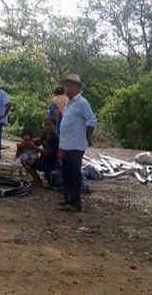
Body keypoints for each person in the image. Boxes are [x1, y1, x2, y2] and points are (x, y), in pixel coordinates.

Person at [58, 74, 97, 212]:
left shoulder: (82, 103)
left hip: (76, 144)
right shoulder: (69, 102)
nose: (67, 89)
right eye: (66, 86)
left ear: (77, 88)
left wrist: (87, 137)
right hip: (67, 144)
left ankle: (75, 203)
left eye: (69, 86)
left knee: (74, 174)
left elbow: (92, 121)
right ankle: (68, 198)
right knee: (66, 173)